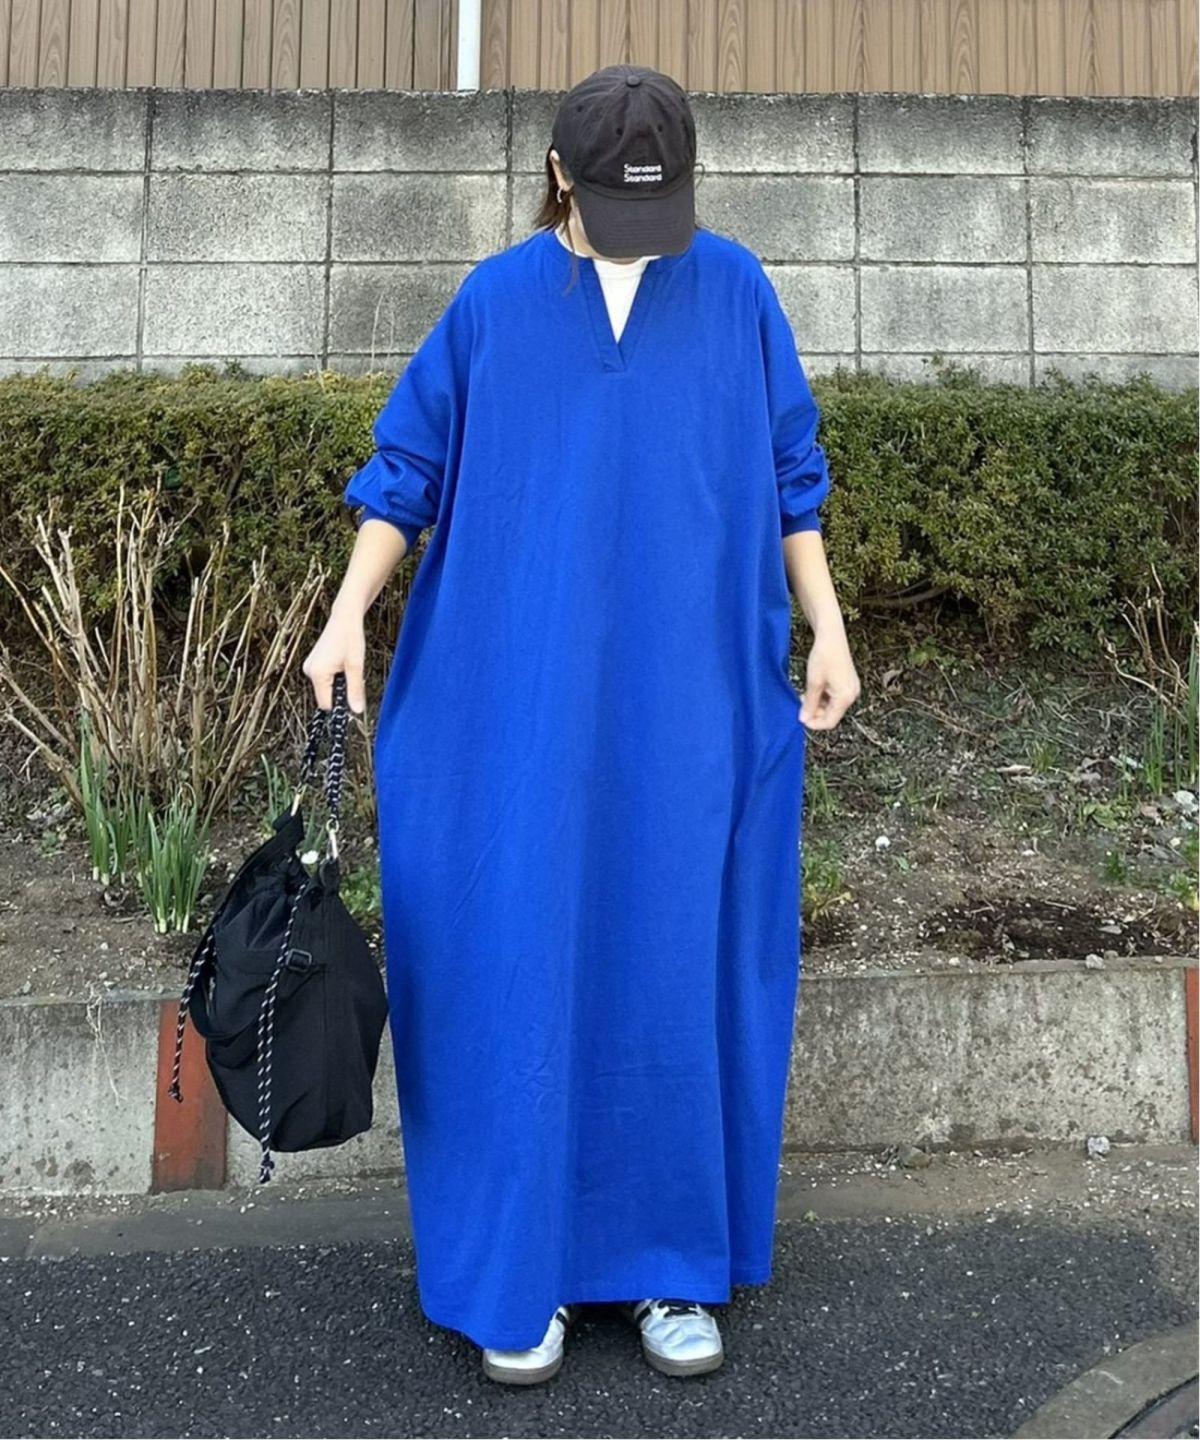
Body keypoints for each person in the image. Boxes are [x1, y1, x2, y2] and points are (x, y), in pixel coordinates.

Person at [303, 62, 860, 1386]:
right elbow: (407, 470)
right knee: (513, 953)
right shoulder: (496, 304)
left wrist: (828, 625)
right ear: (560, 174)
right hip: (514, 699)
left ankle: (671, 1265)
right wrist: (344, 616)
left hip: (690, 697)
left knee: (675, 947)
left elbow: (790, 474)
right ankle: (525, 1269)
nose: (639, 233)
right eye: (615, 204)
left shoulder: (733, 290)